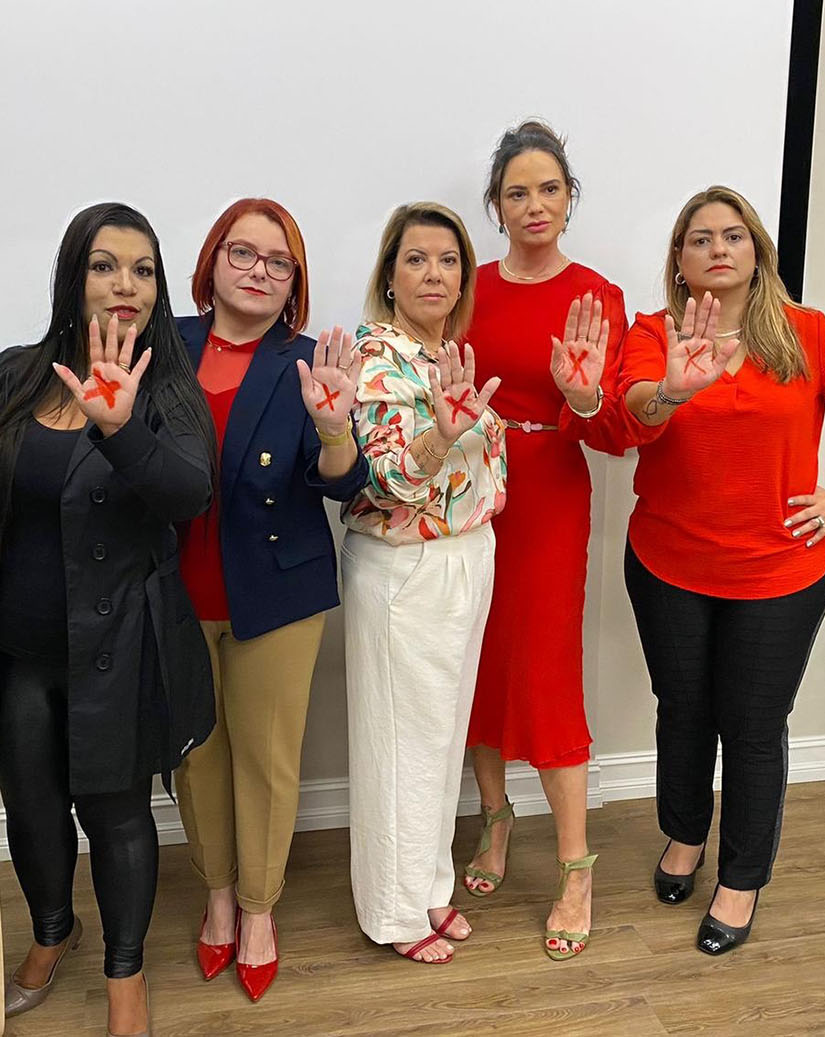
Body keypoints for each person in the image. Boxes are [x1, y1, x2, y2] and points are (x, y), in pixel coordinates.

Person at [0, 202, 216, 1035]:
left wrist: (122, 426)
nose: (125, 284)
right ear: (74, 277)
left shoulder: (167, 388)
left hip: (118, 649)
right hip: (17, 647)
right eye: (105, 265)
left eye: (142, 268)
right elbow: (6, 501)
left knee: (117, 813)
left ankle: (125, 975)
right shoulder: (13, 374)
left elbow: (187, 496)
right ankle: (52, 933)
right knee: (30, 809)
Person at [617, 186, 825, 955]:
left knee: (750, 729)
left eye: (733, 235)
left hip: (779, 575)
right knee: (682, 707)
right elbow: (634, 407)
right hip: (668, 564)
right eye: (699, 238)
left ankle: (742, 878)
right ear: (679, 263)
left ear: (757, 253)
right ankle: (684, 836)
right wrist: (673, 390)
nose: (718, 248)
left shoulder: (806, 333)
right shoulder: (653, 332)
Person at [172, 198, 368, 1002]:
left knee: (266, 757)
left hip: (278, 594)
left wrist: (332, 428)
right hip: (173, 592)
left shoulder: (307, 359)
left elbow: (347, 483)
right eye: (242, 253)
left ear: (295, 282)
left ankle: (257, 910)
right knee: (194, 756)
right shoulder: (165, 345)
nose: (258, 270)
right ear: (212, 263)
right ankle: (216, 895)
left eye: (277, 261)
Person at [461, 119, 632, 960]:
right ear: (495, 205)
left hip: (551, 493)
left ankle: (575, 865)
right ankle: (495, 818)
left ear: (570, 198)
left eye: (549, 189)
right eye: (517, 192)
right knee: (476, 661)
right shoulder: (468, 286)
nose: (535, 205)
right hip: (466, 488)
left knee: (545, 672)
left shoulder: (597, 294)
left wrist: (587, 396)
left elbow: (617, 434)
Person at [341, 202, 505, 964]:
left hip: (466, 555)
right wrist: (442, 430)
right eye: (417, 259)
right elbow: (393, 479)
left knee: (440, 740)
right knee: (401, 745)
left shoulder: (448, 352)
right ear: (390, 274)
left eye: (448, 260)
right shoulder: (378, 355)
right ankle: (396, 910)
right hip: (407, 568)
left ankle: (429, 887)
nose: (434, 272)